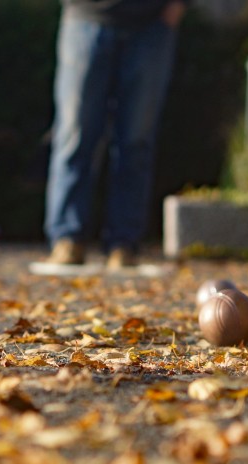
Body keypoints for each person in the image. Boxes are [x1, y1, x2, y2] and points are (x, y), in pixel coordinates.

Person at [43, 0, 189, 269]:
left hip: (151, 23)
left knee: (136, 140)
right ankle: (67, 237)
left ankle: (124, 243)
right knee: (75, 135)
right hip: (85, 17)